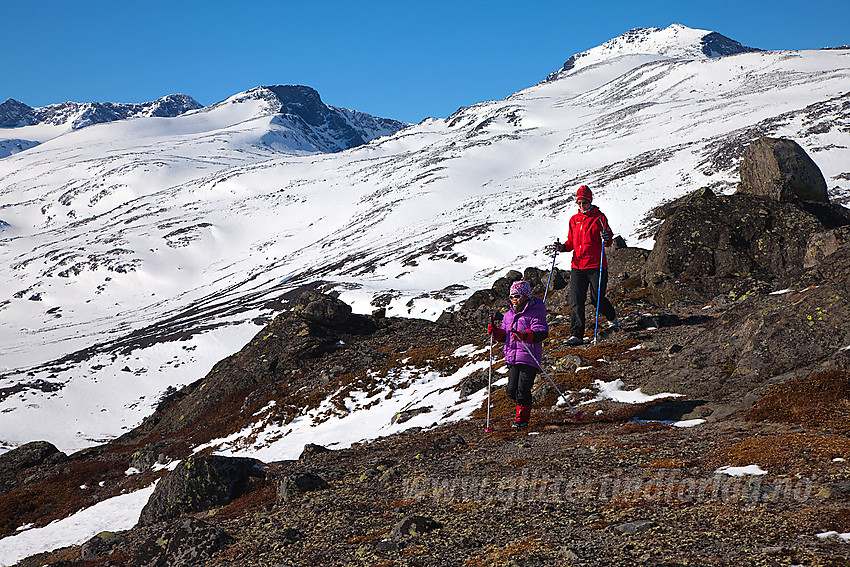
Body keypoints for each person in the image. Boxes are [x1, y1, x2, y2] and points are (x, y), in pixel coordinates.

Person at [556, 185, 618, 346]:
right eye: (579, 203)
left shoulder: (599, 218)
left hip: (596, 265)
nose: (581, 206)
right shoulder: (574, 220)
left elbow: (609, 239)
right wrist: (563, 247)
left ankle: (612, 317)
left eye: (584, 202)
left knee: (596, 299)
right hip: (577, 265)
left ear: (590, 201)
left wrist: (606, 237)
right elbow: (571, 242)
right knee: (576, 300)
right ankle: (577, 334)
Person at [487, 280, 549, 428]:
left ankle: (522, 419)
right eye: (512, 296)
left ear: (526, 296)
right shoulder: (508, 315)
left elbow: (541, 332)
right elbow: (504, 336)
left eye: (518, 295)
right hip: (512, 358)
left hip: (529, 358)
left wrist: (525, 335)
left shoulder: (535, 313)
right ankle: (522, 406)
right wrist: (496, 332)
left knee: (523, 388)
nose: (514, 298)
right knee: (511, 391)